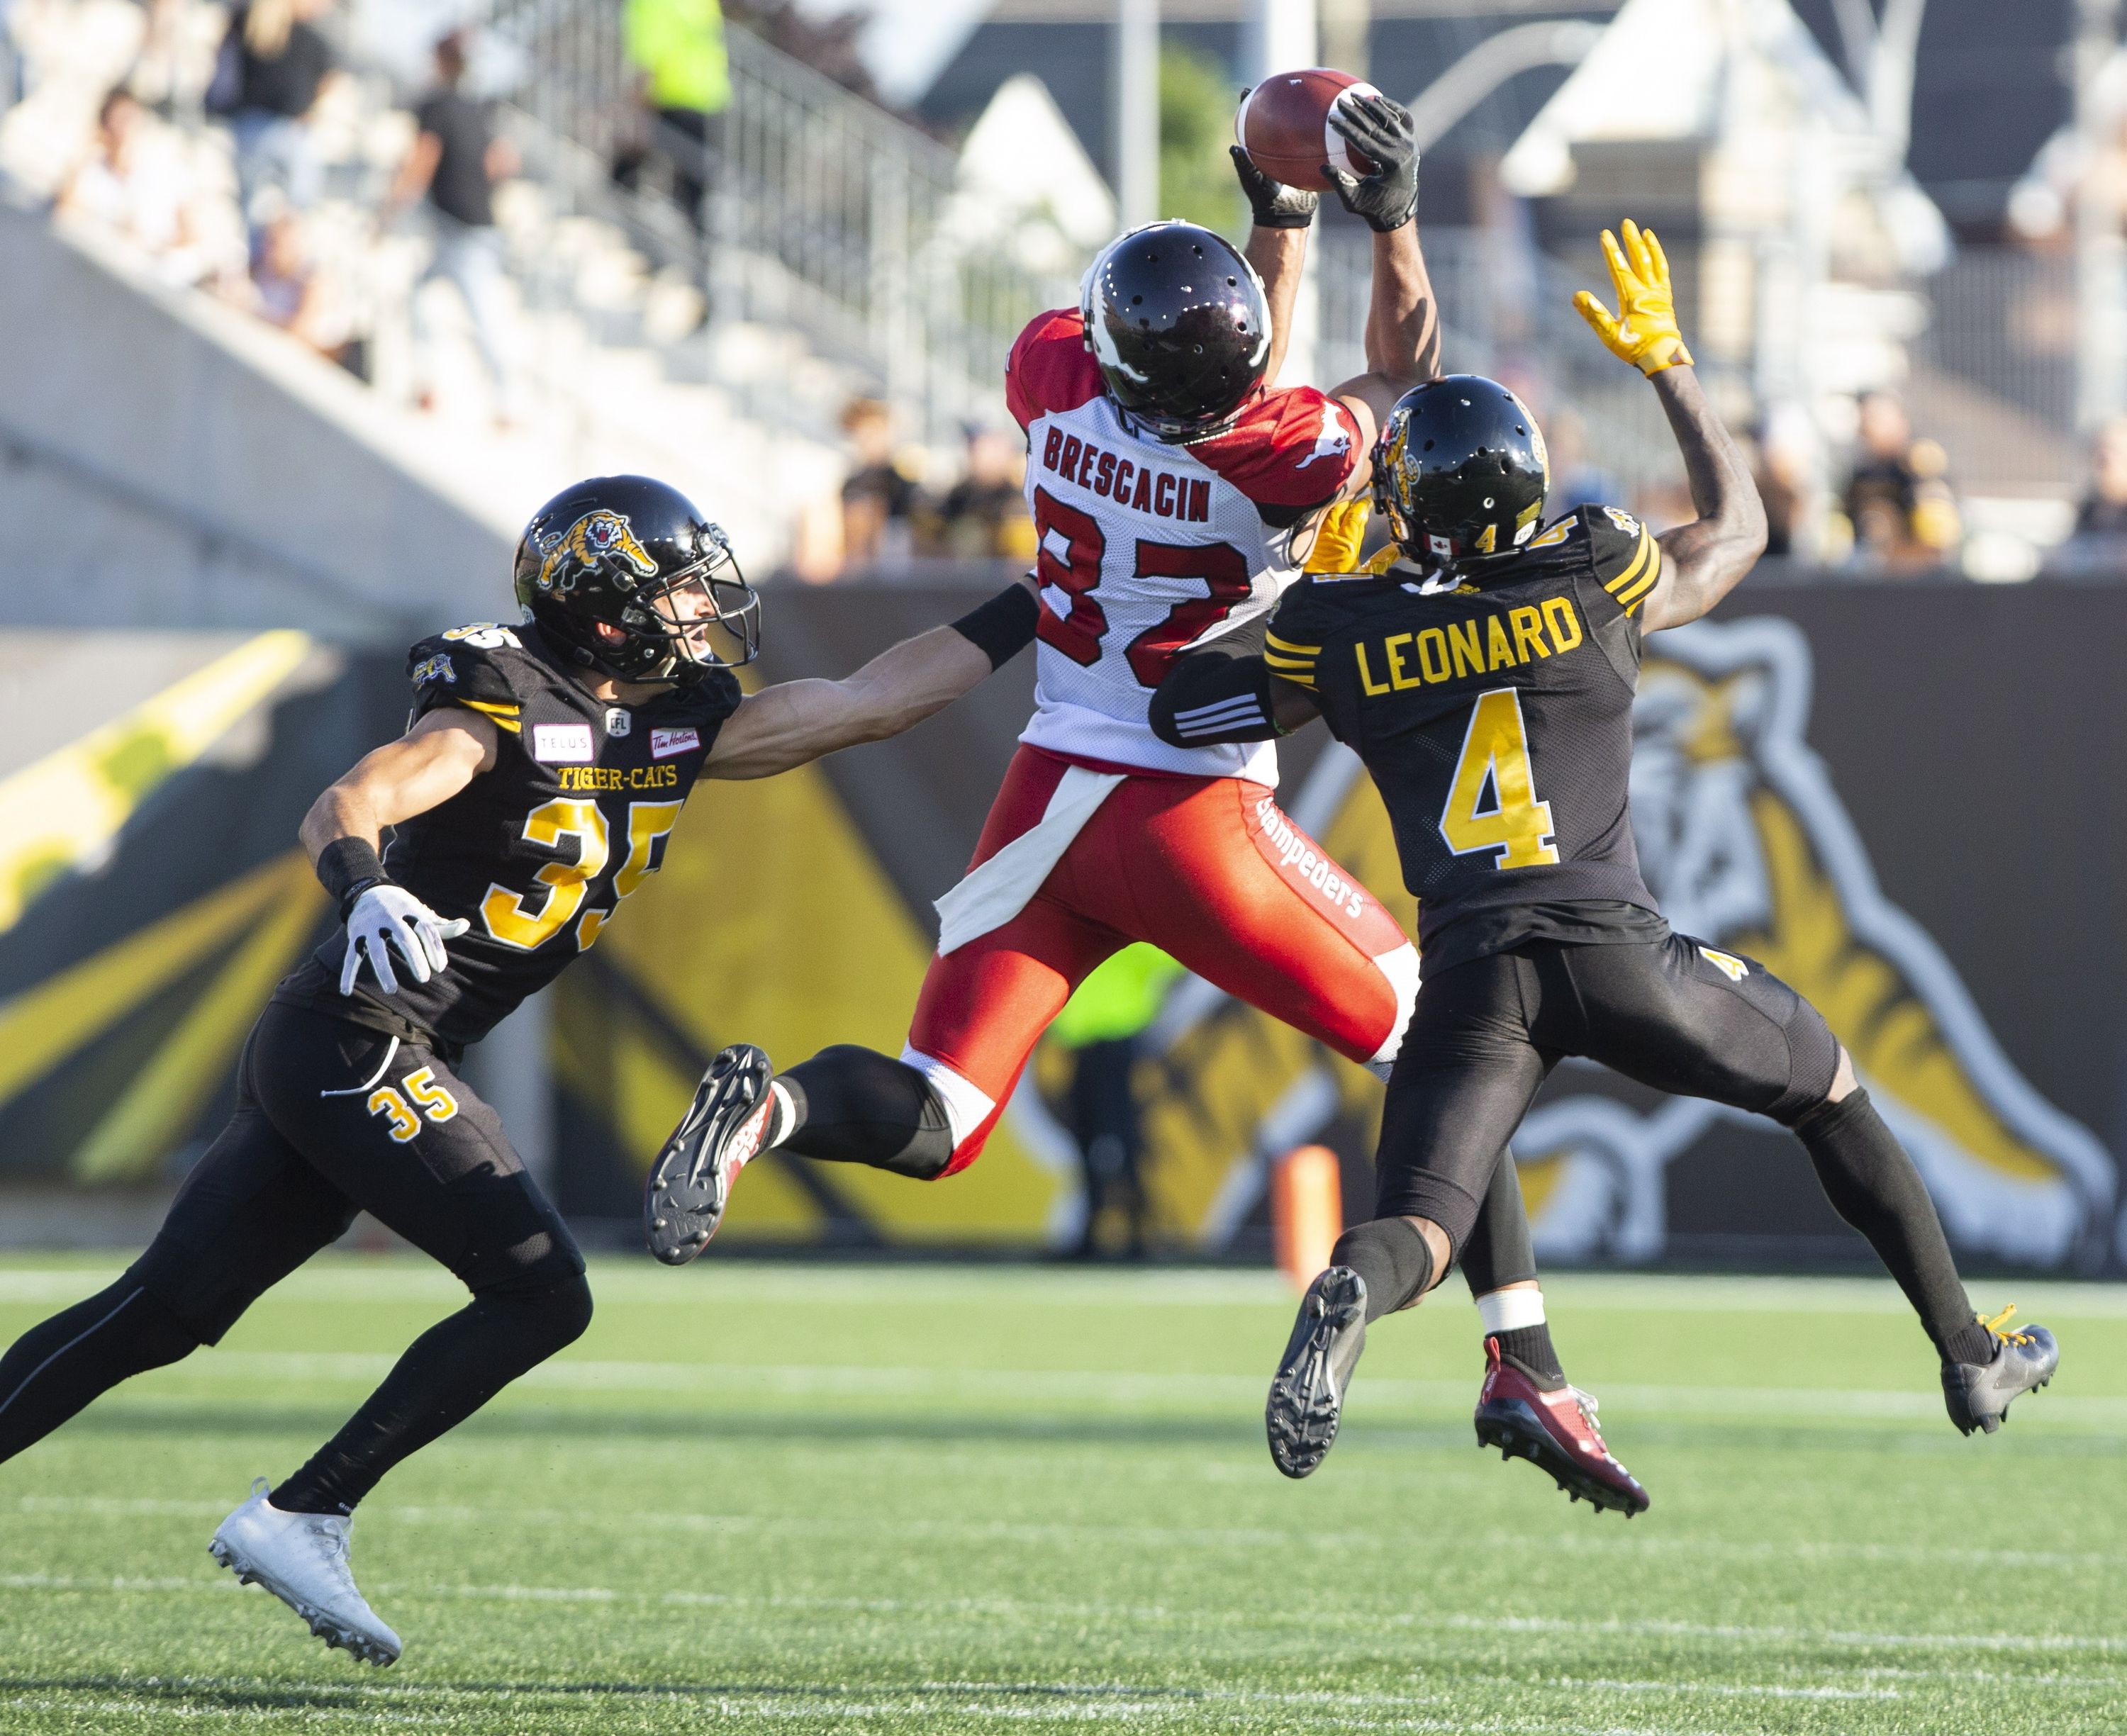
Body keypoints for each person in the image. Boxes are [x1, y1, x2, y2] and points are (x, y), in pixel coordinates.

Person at [640, 96, 1651, 1516]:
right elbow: (1397, 376)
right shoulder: (1278, 454)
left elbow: (1196, 366)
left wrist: (1273, 219)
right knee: (1451, 1040)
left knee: (938, 1114)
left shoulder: (1052, 374)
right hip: (1191, 813)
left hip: (1049, 795)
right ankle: (1525, 1358)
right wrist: (1384, 214)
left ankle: (777, 1110)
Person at [0, 476, 1039, 1667]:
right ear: (607, 609)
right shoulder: (494, 697)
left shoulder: (679, 715)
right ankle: (306, 1506)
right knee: (543, 1287)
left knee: (161, 1311)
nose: (705, 608)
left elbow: (871, 702)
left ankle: (300, 1508)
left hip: (369, 1044)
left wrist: (1039, 597)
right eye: (679, 586)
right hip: (360, 1036)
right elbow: (358, 796)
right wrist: (366, 877)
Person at [1146, 220, 2060, 1479]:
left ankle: (1348, 1292)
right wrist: (1671, 368)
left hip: (1472, 974)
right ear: (1525, 488)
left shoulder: (1337, 635)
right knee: (1828, 1082)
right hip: (1621, 953)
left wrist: (1314, 569)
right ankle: (1968, 1344)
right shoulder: (1594, 574)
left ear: (1407, 503)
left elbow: (1185, 702)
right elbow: (1737, 531)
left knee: (1417, 1223)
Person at [387, 31, 520, 425]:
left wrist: (390, 210)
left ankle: (506, 402)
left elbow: (423, 158)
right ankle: (426, 384)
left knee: (481, 318)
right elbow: (501, 162)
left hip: (464, 230)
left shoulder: (438, 105)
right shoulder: (477, 108)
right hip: (463, 227)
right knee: (419, 299)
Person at [1047, 942, 1181, 1258]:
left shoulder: (1130, 939)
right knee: (1088, 1140)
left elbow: (1175, 957)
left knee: (1121, 1139)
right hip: (1082, 1047)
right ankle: (1096, 1233)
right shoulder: (1094, 935)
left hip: (1116, 1045)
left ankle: (1136, 1234)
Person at [210, 0, 336, 227]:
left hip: (279, 130)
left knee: (290, 202)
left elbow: (325, 84)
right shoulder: (258, 21)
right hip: (255, 127)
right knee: (277, 202)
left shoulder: (314, 42)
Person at [618, 0, 729, 232]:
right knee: (694, 184)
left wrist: (639, 97)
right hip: (706, 96)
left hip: (673, 93)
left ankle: (617, 208)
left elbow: (649, 49)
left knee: (636, 151)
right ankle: (697, 241)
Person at [1841, 390, 1960, 572]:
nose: (1865, 428)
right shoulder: (1861, 474)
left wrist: (1889, 558)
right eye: (1863, 419)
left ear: (1900, 420)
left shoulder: (1920, 467)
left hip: (1919, 586)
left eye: (1874, 418)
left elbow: (1938, 549)